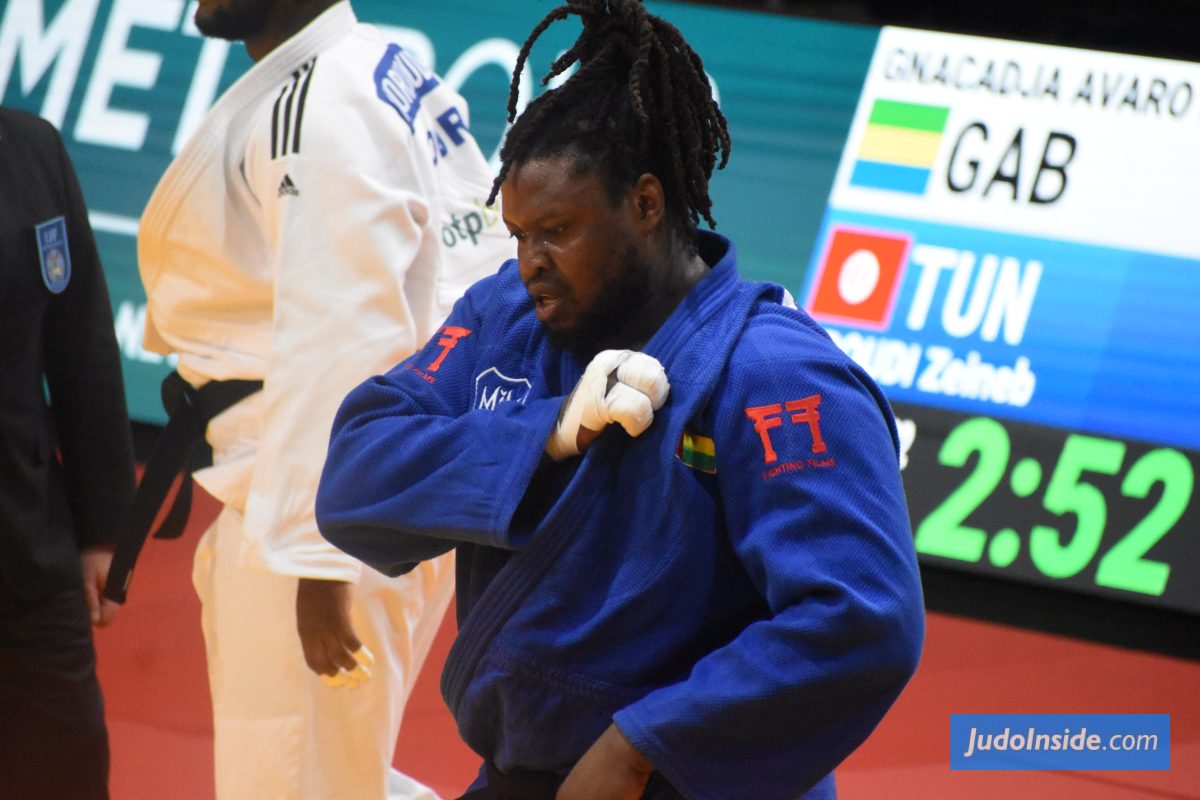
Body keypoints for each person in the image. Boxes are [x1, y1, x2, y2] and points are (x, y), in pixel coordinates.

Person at [315, 1, 925, 798]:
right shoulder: (507, 317)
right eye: (519, 234)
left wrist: (646, 743)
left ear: (645, 204)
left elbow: (861, 616)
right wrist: (547, 434)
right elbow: (353, 479)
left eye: (557, 230)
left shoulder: (777, 376)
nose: (530, 261)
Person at [115, 1, 513, 797]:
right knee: (334, 773)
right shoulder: (376, 67)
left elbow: (343, 337)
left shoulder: (322, 104)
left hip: (331, 504)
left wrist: (320, 557)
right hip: (376, 485)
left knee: (294, 781)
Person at [0, 107, 137, 800]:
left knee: (66, 767)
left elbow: (80, 339)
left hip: (28, 544)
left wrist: (102, 528)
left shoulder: (30, 148)